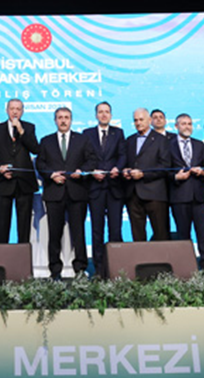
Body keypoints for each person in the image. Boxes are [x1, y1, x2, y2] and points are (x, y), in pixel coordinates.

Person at [36, 107, 96, 279]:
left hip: (77, 192)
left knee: (78, 233)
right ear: (55, 120)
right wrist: (51, 175)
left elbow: (91, 160)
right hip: (54, 193)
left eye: (66, 117)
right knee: (54, 233)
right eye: (60, 117)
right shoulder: (46, 141)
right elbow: (40, 164)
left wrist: (81, 171)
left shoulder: (82, 139)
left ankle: (80, 269)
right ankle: (55, 270)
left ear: (71, 120)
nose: (63, 120)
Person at [81, 101, 126, 279]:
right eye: (100, 112)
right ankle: (99, 269)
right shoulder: (87, 134)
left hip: (115, 188)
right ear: (96, 115)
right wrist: (92, 171)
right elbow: (84, 157)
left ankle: (117, 268)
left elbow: (122, 155)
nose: (104, 114)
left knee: (115, 230)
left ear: (111, 115)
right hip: (95, 188)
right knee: (96, 230)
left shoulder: (118, 133)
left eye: (107, 111)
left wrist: (117, 168)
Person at [0, 99, 39, 244]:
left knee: (24, 226)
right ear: (7, 110)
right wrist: (0, 167)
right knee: (2, 225)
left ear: (23, 111)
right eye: (12, 108)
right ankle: (1, 255)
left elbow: (35, 149)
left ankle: (22, 255)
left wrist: (22, 131)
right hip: (4, 182)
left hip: (24, 183)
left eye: (18, 109)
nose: (15, 112)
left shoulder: (29, 128)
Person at [123, 108, 173, 241]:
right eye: (135, 120)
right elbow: (126, 162)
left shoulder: (161, 140)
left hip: (155, 193)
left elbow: (165, 166)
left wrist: (143, 174)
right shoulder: (130, 140)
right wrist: (126, 171)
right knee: (137, 235)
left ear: (149, 120)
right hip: (133, 193)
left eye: (141, 119)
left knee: (160, 233)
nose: (138, 123)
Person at [168, 114, 204, 258]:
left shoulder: (199, 144)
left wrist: (203, 172)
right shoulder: (168, 146)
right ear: (176, 126)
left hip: (199, 196)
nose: (187, 127)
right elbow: (164, 170)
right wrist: (176, 177)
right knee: (183, 235)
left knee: (203, 234)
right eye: (183, 124)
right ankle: (186, 264)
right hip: (179, 196)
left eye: (189, 124)